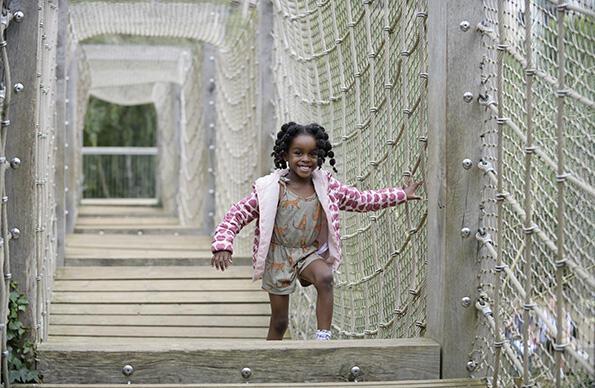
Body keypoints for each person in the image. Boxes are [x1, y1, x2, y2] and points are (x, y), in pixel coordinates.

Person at [211, 122, 422, 341]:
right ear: (285, 155)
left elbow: (360, 200)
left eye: (313, 154)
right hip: (278, 257)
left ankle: (323, 339)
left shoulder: (326, 186)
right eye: (298, 153)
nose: (305, 159)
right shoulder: (271, 189)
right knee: (280, 321)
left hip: (306, 252)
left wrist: (400, 195)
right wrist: (223, 245)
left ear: (320, 157)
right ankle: (269, 359)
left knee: (325, 277)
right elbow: (237, 214)